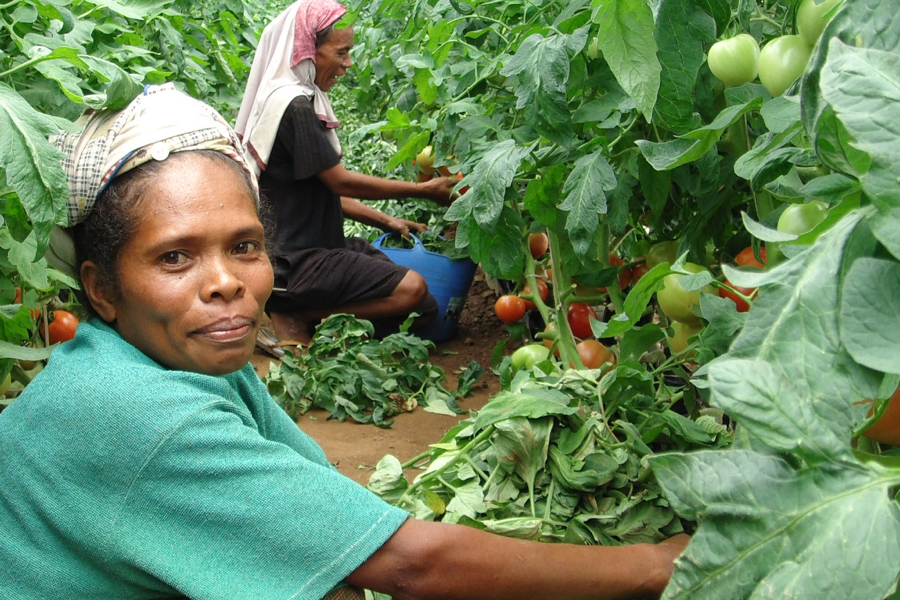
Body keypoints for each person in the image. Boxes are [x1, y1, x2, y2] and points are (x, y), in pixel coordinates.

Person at [0, 84, 688, 600]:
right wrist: (655, 565)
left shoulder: (186, 359)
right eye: (175, 258)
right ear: (100, 288)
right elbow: (413, 563)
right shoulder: (139, 415)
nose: (226, 283)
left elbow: (322, 493)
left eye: (244, 246)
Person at [235, 0, 458, 345]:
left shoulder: (293, 99)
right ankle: (296, 312)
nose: (348, 64)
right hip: (290, 264)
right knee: (412, 290)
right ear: (307, 50)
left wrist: (387, 222)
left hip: (313, 251)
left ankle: (309, 315)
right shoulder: (292, 106)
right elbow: (339, 181)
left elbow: (322, 192)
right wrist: (424, 190)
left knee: (425, 310)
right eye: (341, 53)